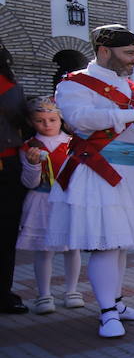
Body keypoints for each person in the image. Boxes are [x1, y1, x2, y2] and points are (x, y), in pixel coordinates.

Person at [51, 25, 134, 338]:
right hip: (99, 171)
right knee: (106, 244)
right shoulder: (74, 83)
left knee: (120, 244)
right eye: (129, 53)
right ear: (104, 51)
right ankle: (107, 313)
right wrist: (131, 116)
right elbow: (78, 119)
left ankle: (117, 303)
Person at [18, 97, 83, 314]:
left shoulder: (74, 143)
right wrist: (33, 165)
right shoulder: (29, 147)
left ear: (60, 119)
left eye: (52, 119)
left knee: (72, 248)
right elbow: (30, 183)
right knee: (44, 250)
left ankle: (72, 291)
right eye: (40, 120)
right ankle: (44, 294)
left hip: (68, 200)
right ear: (30, 122)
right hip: (42, 201)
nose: (47, 125)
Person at [0, 44, 27, 314]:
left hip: (8, 165)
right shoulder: (9, 83)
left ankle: (3, 293)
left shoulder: (9, 83)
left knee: (6, 233)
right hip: (7, 165)